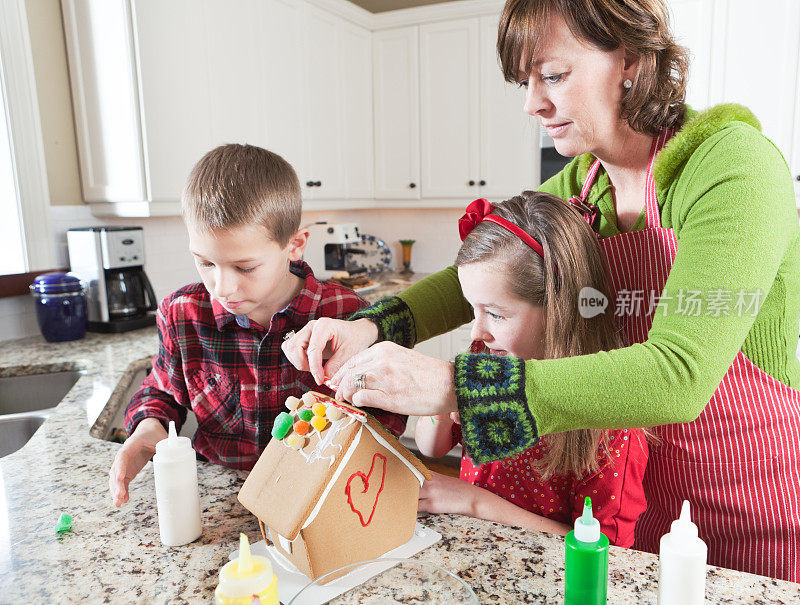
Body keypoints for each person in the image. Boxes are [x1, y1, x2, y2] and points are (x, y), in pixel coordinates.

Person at [283, 0, 800, 582]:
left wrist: (454, 385)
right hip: (627, 497)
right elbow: (477, 274)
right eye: (526, 82)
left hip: (739, 500)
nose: (533, 104)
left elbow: (680, 376)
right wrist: (368, 328)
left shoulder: (732, 166)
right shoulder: (583, 184)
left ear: (629, 55)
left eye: (552, 75)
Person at [108, 144, 404, 508]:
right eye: (205, 263)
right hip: (221, 500)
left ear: (295, 245)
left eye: (245, 268)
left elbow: (384, 415)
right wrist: (149, 428)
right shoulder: (182, 313)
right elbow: (164, 392)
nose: (223, 287)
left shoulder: (345, 313)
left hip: (316, 498)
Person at [414, 192, 648, 547]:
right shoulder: (490, 355)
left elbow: (604, 550)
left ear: (560, 307)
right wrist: (441, 411)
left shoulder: (609, 423)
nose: (477, 331)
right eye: (472, 310)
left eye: (495, 313)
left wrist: (473, 502)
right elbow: (432, 447)